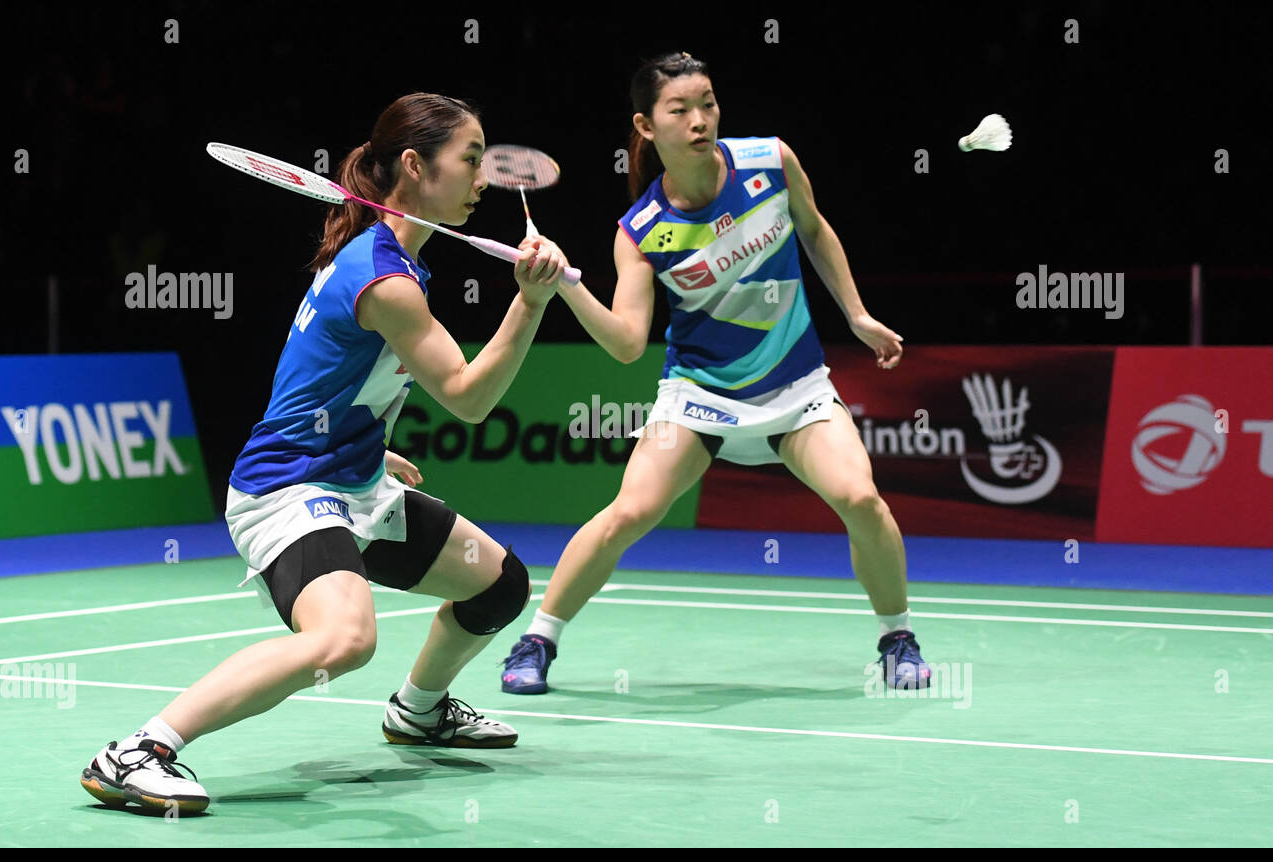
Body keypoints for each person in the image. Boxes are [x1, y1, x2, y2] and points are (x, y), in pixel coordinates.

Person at [81, 92, 566, 814]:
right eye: (470, 160)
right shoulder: (384, 278)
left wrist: (369, 449)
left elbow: (329, 375)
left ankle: (420, 711)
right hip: (287, 489)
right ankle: (138, 751)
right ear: (414, 165)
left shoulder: (384, 255)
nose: (482, 179)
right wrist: (529, 303)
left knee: (498, 586)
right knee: (343, 638)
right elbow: (467, 397)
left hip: (351, 481)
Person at [500, 53, 930, 696]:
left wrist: (858, 315)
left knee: (862, 500)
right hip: (699, 395)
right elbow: (624, 343)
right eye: (680, 110)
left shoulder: (769, 161)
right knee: (629, 512)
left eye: (707, 103)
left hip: (795, 384)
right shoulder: (642, 229)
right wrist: (564, 283)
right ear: (647, 126)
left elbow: (814, 231)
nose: (699, 119)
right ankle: (537, 640)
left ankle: (897, 638)